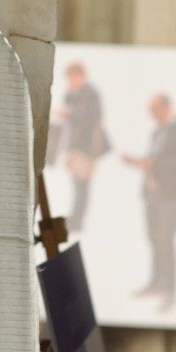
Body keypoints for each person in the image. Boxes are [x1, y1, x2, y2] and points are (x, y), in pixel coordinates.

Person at [123, 93, 176, 311]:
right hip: (152, 194)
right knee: (154, 239)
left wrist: (153, 163)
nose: (151, 115)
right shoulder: (157, 131)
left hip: (171, 195)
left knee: (166, 241)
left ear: (166, 107)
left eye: (154, 110)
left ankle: (170, 291)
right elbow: (153, 159)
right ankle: (156, 283)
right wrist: (139, 162)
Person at [52, 61, 109, 233]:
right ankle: (75, 219)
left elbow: (92, 117)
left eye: (73, 77)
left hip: (86, 147)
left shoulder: (91, 94)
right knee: (77, 184)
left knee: (82, 185)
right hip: (76, 146)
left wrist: (70, 112)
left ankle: (77, 221)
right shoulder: (73, 93)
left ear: (81, 76)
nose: (71, 81)